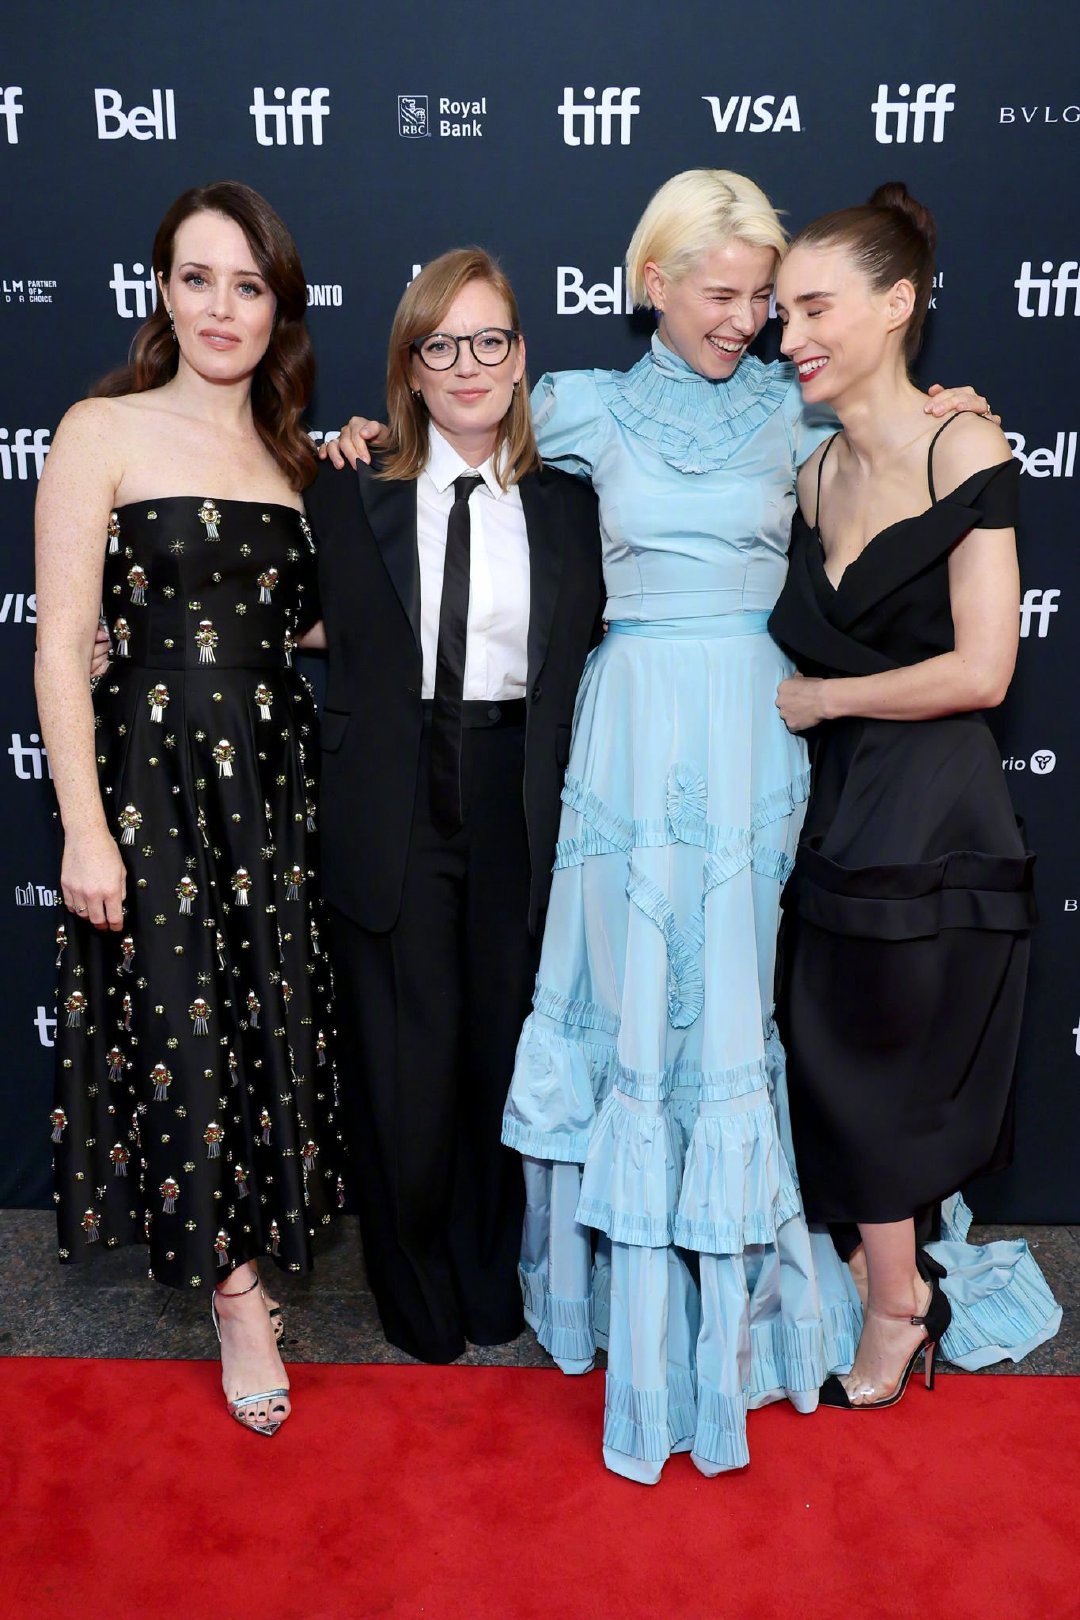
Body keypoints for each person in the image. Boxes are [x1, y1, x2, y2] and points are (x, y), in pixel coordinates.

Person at [328, 168, 999, 1482]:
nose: (750, 320)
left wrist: (948, 411)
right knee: (632, 1004)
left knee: (736, 1010)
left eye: (766, 299)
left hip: (755, 732)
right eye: (726, 294)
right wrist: (364, 438)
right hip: (626, 739)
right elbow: (450, 420)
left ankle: (757, 1306)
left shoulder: (798, 409)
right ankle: (613, 1307)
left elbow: (898, 448)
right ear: (655, 284)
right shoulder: (576, 405)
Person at [37, 181, 345, 1437]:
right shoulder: (99, 430)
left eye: (248, 285)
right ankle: (236, 1299)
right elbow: (60, 646)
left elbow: (306, 624)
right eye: (198, 278)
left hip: (271, 779)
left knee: (265, 1019)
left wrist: (373, 493)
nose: (222, 307)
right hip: (149, 784)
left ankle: (253, 1252)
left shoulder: (293, 456)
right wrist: (83, 825)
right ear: (162, 291)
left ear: (279, 306)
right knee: (181, 1027)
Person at [769, 183, 1060, 1409]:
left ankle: (897, 1305)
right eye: (781, 312)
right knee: (828, 1053)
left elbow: (985, 670)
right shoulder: (811, 471)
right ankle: (886, 1275)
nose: (789, 335)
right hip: (836, 806)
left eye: (814, 308)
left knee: (873, 1063)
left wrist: (828, 699)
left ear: (897, 306)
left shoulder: (963, 448)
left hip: (932, 811)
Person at [304, 249, 604, 1365]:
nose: (468, 364)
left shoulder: (573, 507)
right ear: (411, 368)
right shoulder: (345, 489)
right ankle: (409, 1276)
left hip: (519, 790)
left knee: (499, 1043)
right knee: (402, 1056)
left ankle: (490, 1270)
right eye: (441, 345)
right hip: (390, 793)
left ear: (521, 359)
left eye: (489, 341)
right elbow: (263, 606)